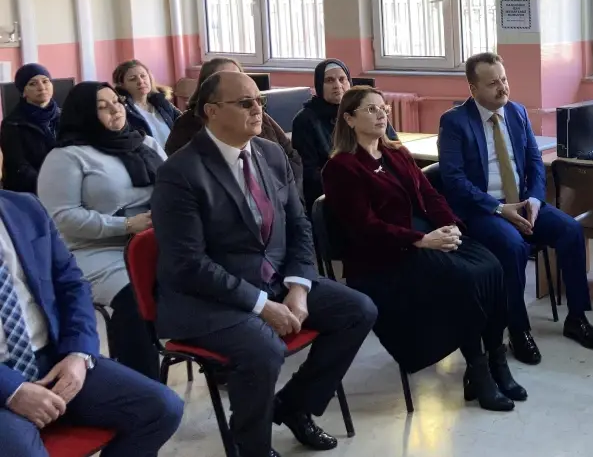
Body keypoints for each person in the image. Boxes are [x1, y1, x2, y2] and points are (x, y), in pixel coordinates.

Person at [152, 71, 376, 457]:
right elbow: (188, 265)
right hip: (208, 299)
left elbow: (299, 225)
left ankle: (293, 407)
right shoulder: (180, 172)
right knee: (263, 349)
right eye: (246, 103)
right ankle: (251, 447)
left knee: (358, 310)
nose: (258, 109)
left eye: (260, 101)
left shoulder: (271, 154)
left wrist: (299, 288)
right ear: (211, 111)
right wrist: (262, 305)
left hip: (275, 280)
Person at [323, 86, 524, 412]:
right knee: (465, 280)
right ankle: (479, 370)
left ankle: (496, 360)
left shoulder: (396, 153)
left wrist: (451, 225)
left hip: (425, 237)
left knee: (492, 267)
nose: (381, 114)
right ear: (349, 119)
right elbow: (364, 227)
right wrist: (419, 239)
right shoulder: (342, 167)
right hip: (384, 255)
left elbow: (430, 195)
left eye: (383, 108)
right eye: (371, 109)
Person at [438, 52, 593, 365]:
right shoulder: (455, 122)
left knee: (571, 230)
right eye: (492, 83)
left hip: (524, 203)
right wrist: (499, 209)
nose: (502, 88)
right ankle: (518, 330)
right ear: (473, 89)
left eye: (504, 79)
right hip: (484, 210)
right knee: (514, 246)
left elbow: (534, 162)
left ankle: (577, 318)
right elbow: (454, 180)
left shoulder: (517, 112)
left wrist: (535, 200)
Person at [0, 188, 183, 456]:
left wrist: (79, 354)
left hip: (50, 357)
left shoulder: (23, 207)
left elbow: (72, 284)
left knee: (161, 408)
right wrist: (11, 389)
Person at [36, 83, 164, 381]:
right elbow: (62, 217)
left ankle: (217, 360)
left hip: (154, 241)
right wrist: (127, 225)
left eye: (116, 101)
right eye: (102, 107)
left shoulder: (144, 143)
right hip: (96, 251)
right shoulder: (67, 157)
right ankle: (145, 386)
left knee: (203, 275)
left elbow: (174, 185)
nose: (115, 109)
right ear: (83, 114)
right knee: (134, 298)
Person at [164, 58, 302, 196]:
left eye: (238, 75)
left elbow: (290, 155)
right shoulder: (187, 126)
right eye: (225, 77)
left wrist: (283, 190)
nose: (256, 109)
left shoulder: (260, 118)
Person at [293, 59, 396, 212]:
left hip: (378, 187)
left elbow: (392, 147)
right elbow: (310, 173)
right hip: (337, 195)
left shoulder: (367, 111)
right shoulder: (306, 120)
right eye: (329, 80)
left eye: (342, 79)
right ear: (319, 85)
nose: (337, 85)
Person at [1, 64, 61, 194]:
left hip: (66, 183)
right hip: (33, 191)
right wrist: (49, 185)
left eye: (45, 81)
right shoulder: (13, 124)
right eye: (33, 84)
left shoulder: (65, 116)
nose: (42, 87)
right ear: (23, 91)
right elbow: (18, 166)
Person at [112, 60, 180, 150]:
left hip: (176, 155)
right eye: (132, 79)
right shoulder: (123, 111)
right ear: (122, 85)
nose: (141, 81)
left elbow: (183, 122)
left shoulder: (161, 101)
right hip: (151, 157)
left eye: (143, 76)